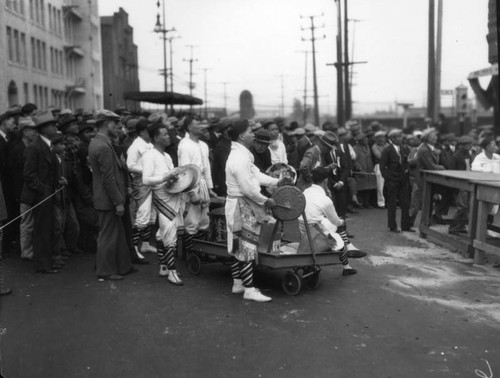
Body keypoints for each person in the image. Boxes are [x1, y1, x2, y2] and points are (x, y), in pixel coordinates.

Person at [225, 119, 279, 302]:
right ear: (241, 136)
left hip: (239, 204)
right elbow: (248, 188)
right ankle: (249, 289)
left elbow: (257, 175)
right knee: (246, 246)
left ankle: (237, 283)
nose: (253, 135)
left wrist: (277, 182)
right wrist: (267, 200)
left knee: (238, 246)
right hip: (241, 205)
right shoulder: (239, 157)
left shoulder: (242, 155)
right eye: (250, 132)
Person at [88, 110, 133, 281]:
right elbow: (108, 178)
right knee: (108, 236)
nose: (117, 127)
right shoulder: (103, 146)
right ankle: (105, 271)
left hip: (106, 199)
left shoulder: (99, 142)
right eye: (115, 124)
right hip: (108, 200)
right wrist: (118, 202)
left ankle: (123, 267)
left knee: (116, 233)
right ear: (106, 123)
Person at [142, 122, 185, 286]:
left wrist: (175, 177)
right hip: (161, 198)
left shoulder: (166, 156)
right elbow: (146, 179)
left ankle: (164, 267)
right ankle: (172, 272)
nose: (168, 137)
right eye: (165, 134)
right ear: (155, 138)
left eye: (168, 134)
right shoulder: (149, 155)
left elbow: (171, 176)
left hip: (172, 196)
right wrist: (166, 177)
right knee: (169, 234)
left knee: (162, 233)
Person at [22, 110, 63, 273]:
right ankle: (43, 265)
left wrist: (58, 180)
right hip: (40, 196)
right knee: (42, 231)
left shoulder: (47, 145)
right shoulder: (35, 147)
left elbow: (50, 170)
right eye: (51, 125)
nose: (55, 128)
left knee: (49, 228)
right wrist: (44, 190)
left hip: (47, 195)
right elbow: (29, 175)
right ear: (43, 129)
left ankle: (48, 260)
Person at [301, 167, 357, 275]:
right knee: (339, 226)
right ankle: (347, 256)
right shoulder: (325, 199)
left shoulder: (305, 191)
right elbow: (336, 221)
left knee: (330, 223)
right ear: (326, 181)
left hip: (302, 226)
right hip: (315, 231)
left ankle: (349, 254)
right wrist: (342, 222)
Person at [177, 117, 215, 253]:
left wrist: (210, 188)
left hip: (203, 185)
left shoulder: (203, 145)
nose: (201, 126)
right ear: (189, 128)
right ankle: (190, 254)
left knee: (204, 219)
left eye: (201, 123)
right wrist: (192, 193)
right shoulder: (185, 144)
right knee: (192, 220)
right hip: (191, 186)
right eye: (197, 124)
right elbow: (185, 171)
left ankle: (201, 250)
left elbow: (207, 169)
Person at [126, 118, 156, 255]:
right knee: (142, 215)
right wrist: (147, 171)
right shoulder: (135, 146)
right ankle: (134, 248)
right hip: (141, 183)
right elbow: (130, 166)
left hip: (153, 182)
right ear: (143, 131)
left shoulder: (150, 144)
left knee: (151, 215)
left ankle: (145, 244)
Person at [380, 129, 412, 233]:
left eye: (401, 136)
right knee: (392, 204)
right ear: (392, 138)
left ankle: (405, 226)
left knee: (405, 203)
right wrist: (388, 178)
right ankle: (392, 226)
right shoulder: (387, 150)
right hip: (392, 180)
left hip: (403, 180)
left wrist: (407, 171)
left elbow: (407, 162)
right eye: (398, 137)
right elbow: (382, 166)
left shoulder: (404, 148)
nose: (400, 138)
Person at [448, 136, 474, 235]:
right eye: (470, 144)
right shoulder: (457, 156)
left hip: (468, 181)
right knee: (462, 207)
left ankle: (460, 226)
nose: (471, 146)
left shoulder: (468, 154)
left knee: (466, 207)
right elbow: (452, 169)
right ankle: (453, 227)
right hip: (461, 183)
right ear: (465, 145)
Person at [212, 120, 233, 196]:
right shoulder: (221, 146)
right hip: (225, 185)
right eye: (229, 128)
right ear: (224, 131)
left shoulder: (230, 143)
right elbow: (227, 166)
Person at [371, 131, 388, 209]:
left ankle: (389, 201)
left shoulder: (388, 145)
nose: (381, 139)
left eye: (382, 137)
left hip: (389, 165)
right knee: (380, 185)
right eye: (379, 137)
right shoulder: (374, 146)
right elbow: (379, 156)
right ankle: (381, 202)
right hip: (379, 165)